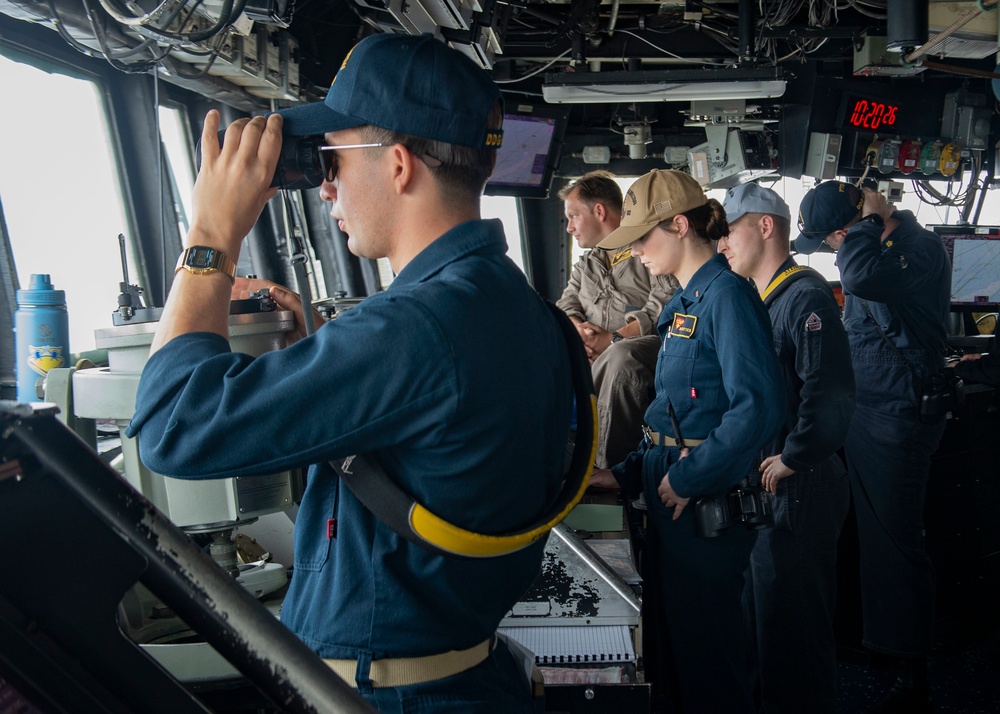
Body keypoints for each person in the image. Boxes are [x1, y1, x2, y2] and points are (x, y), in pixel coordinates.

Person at [126, 33, 573, 713]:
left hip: (391, 698)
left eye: (330, 157)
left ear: (398, 165)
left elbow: (171, 426)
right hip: (464, 675)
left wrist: (211, 237)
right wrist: (320, 353)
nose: (325, 184)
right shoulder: (514, 303)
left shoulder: (417, 328)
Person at [589, 170, 785, 714]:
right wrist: (626, 473)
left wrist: (686, 478)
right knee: (672, 652)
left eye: (642, 239)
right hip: (666, 484)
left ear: (680, 225)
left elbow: (760, 406)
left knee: (709, 658)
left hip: (701, 498)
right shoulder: (685, 304)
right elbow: (670, 415)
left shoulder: (727, 299)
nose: (634, 254)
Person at [795, 181, 951, 714]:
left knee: (893, 540)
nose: (835, 252)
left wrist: (865, 223)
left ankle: (910, 675)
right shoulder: (872, 251)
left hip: (895, 411)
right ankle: (871, 645)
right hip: (862, 406)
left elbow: (860, 275)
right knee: (854, 530)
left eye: (833, 241)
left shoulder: (916, 248)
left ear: (848, 229)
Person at [718, 182, 855, 714]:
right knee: (765, 622)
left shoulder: (807, 296)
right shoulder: (762, 298)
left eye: (729, 232)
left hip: (801, 486)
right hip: (772, 488)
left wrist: (796, 455)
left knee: (793, 631)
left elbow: (831, 390)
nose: (723, 245)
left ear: (764, 226)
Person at [556, 171, 678, 468]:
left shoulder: (646, 249)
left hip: (640, 351)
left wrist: (613, 339)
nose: (569, 227)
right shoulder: (588, 263)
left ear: (599, 211)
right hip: (590, 353)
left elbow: (664, 301)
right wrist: (579, 332)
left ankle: (609, 471)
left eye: (573, 216)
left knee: (619, 358)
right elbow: (567, 301)